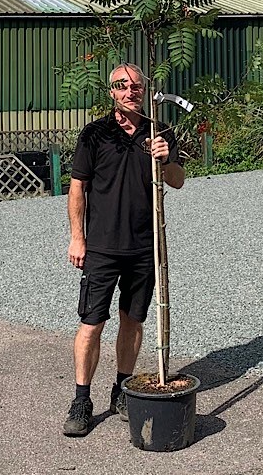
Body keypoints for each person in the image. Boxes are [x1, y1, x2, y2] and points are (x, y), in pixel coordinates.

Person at [62, 63, 185, 437]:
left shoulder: (158, 132)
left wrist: (165, 159)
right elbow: (78, 188)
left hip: (145, 247)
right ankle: (82, 399)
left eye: (136, 86)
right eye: (122, 85)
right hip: (101, 246)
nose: (130, 91)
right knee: (91, 323)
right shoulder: (96, 134)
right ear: (111, 92)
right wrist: (77, 237)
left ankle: (121, 388)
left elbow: (178, 182)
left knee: (133, 319)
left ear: (145, 91)